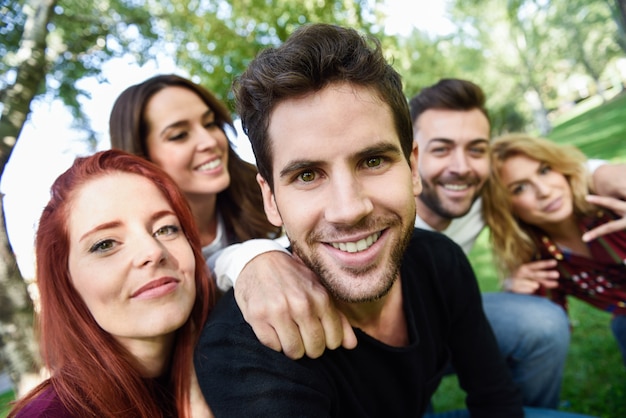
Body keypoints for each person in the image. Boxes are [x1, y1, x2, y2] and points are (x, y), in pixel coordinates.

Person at [194, 23, 593, 418]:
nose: (349, 209)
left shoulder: (441, 260)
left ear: (412, 167)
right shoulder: (247, 354)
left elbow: (496, 400)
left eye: (372, 161)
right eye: (308, 175)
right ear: (271, 199)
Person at [408, 78, 626, 410]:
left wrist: (602, 172)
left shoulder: (474, 194)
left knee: (542, 322)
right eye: (441, 148)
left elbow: (545, 172)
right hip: (379, 344)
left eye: (476, 149)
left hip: (445, 322)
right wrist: (294, 268)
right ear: (411, 154)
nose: (462, 167)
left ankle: (535, 410)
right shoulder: (383, 205)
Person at [109, 74, 356, 359]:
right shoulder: (143, 246)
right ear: (143, 157)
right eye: (179, 135)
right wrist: (242, 259)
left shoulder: (265, 187)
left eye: (210, 123)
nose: (208, 141)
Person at [8, 149, 215, 417]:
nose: (152, 251)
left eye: (166, 229)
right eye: (105, 244)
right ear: (67, 282)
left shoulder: (230, 360)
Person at [482, 132, 626, 366]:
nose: (544, 191)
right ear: (505, 207)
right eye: (519, 188)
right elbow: (545, 330)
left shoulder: (610, 203)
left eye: (545, 170)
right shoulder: (539, 259)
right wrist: (517, 296)